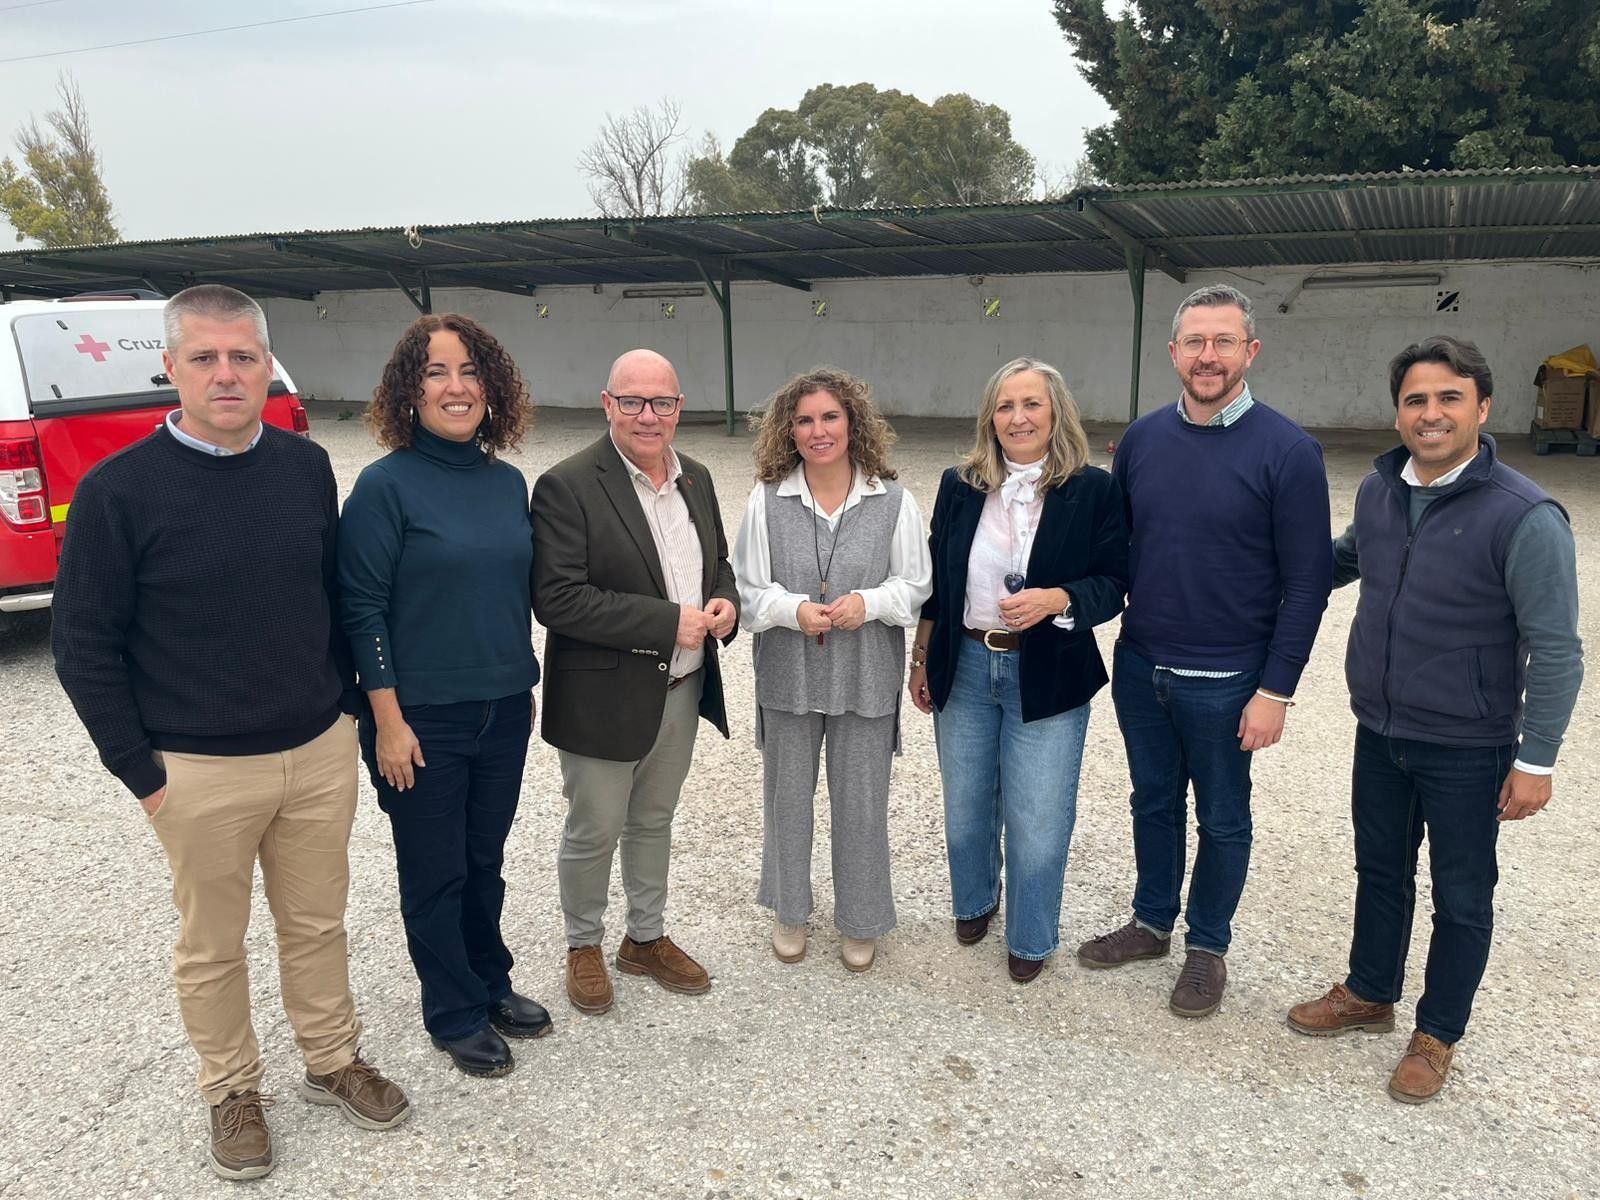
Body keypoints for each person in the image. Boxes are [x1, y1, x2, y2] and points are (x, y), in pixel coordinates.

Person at [51, 285, 409, 1182]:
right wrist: (142, 773)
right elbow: (83, 644)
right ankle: (232, 1090)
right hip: (197, 769)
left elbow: (328, 598)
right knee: (212, 947)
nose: (225, 374)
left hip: (315, 751)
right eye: (204, 357)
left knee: (316, 923)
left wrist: (347, 713)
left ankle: (331, 1060)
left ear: (265, 367)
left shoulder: (304, 468)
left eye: (243, 357)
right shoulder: (117, 492)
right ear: (169, 367)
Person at [1287, 335, 1582, 1103]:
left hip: (1468, 744)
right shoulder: (1381, 490)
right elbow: (1345, 558)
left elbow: (1557, 649)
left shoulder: (1525, 516)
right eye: (1415, 399)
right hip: (1380, 731)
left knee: (1463, 896)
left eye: (1450, 397)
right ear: (1398, 414)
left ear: (1483, 408)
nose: (1431, 413)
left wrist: (1537, 760)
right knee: (1380, 871)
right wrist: (1261, 574)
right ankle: (1369, 991)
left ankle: (1437, 1034)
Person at [1076, 284, 1332, 1019]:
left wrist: (1275, 690)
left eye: (1224, 341)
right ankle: (1152, 922)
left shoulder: (1289, 452)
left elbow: (1308, 583)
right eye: (1195, 342)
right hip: (1142, 667)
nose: (1208, 356)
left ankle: (1207, 947)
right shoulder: (1143, 441)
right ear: (1173, 353)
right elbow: (1119, 549)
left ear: (1251, 351)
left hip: (1229, 680)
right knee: (1152, 801)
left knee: (1222, 818)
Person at [338, 313, 550, 1079]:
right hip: (420, 718)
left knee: (484, 861)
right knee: (436, 872)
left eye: (469, 371)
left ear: (492, 389)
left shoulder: (507, 483)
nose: (455, 387)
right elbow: (360, 609)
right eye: (436, 372)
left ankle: (490, 982)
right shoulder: (384, 487)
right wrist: (386, 720)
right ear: (410, 390)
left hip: (505, 708)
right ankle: (453, 1011)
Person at [530, 349, 739, 1015]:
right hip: (602, 698)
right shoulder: (567, 485)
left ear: (679, 407)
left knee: (653, 820)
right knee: (594, 828)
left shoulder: (696, 478)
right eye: (633, 401)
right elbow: (558, 599)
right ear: (607, 404)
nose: (648, 415)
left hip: (681, 688)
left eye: (662, 402)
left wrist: (725, 602)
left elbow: (719, 563)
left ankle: (644, 938)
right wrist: (668, 622)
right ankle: (583, 944)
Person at [907, 356, 1128, 984]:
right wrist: (922, 658)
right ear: (990, 418)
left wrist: (1058, 599)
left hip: (1049, 668)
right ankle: (976, 899)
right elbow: (938, 582)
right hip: (966, 665)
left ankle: (1031, 934)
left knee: (1038, 817)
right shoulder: (960, 484)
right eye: (1005, 406)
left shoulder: (1093, 489)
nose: (1018, 417)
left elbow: (1115, 582)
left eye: (1032, 404)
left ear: (1056, 412)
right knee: (966, 807)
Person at [732, 367, 931, 971]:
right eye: (804, 420)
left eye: (830, 417)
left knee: (862, 804)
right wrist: (792, 610)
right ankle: (790, 910)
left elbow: (916, 584)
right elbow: (747, 591)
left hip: (866, 673)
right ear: (788, 431)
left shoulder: (893, 500)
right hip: (788, 674)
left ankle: (862, 918)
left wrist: (868, 602)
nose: (818, 431)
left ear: (852, 423)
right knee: (787, 800)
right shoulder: (766, 500)